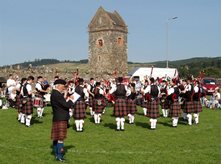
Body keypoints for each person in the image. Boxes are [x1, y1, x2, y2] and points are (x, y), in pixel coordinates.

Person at [50, 79, 75, 161]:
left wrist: (65, 96)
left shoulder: (55, 93)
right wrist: (72, 99)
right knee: (60, 138)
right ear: (59, 85)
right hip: (61, 118)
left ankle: (56, 154)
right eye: (63, 86)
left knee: (56, 137)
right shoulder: (56, 94)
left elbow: (61, 103)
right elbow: (66, 105)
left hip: (57, 117)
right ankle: (59, 156)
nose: (64, 88)